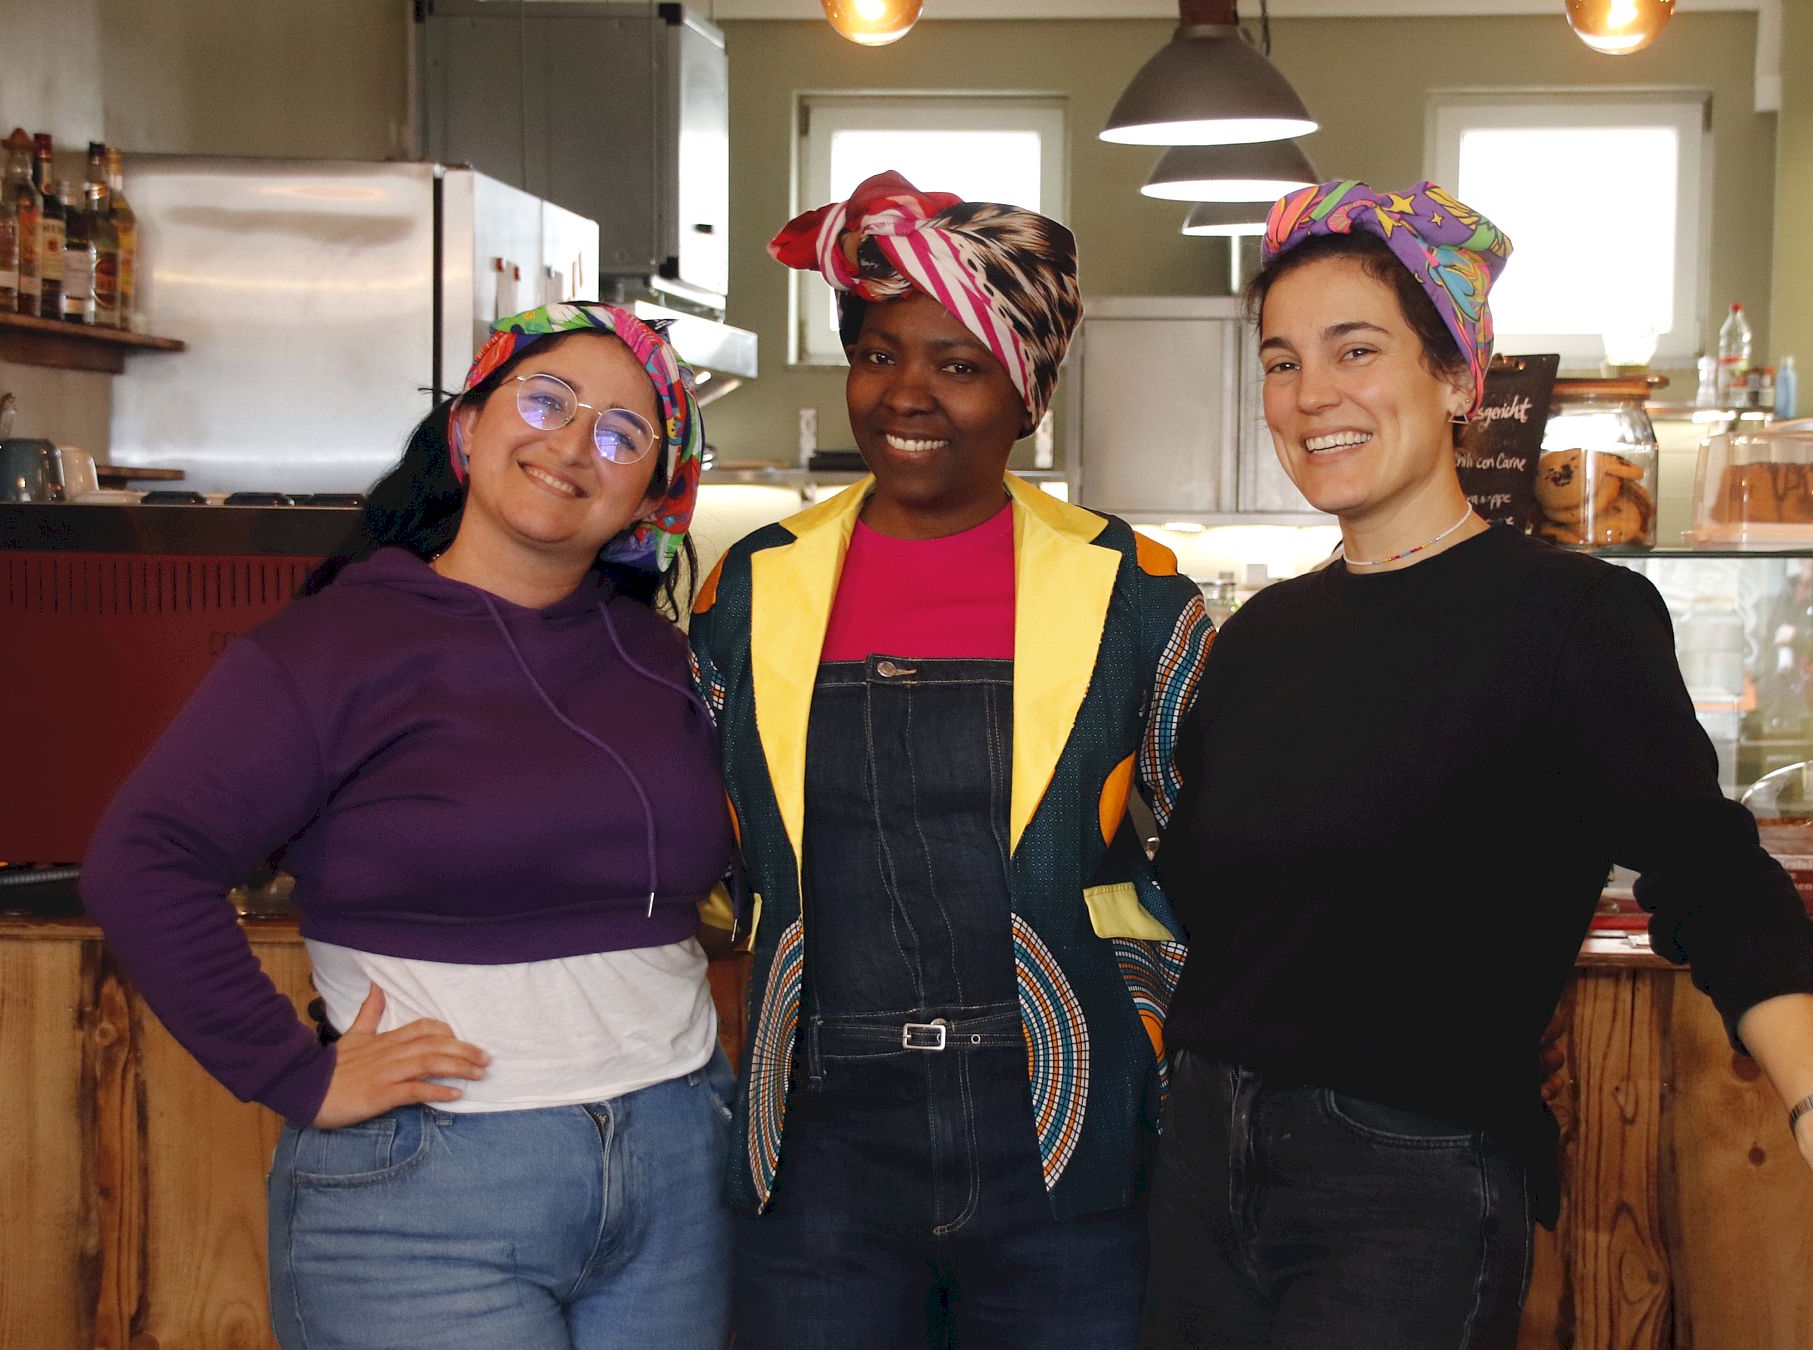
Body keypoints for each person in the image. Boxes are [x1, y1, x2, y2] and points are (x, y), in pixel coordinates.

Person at [1142, 181, 1813, 1348]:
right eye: (1281, 362)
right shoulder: (1262, 638)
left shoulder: (1572, 619)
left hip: (1404, 1184)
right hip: (1197, 1167)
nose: (1310, 394)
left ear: (1455, 377)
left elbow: (1713, 875)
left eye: (1356, 349)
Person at [82, 302, 737, 1350]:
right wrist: (292, 1072)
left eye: (623, 433)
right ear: (467, 428)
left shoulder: (663, 663)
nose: (574, 445)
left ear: (652, 497)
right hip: (428, 1194)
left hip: (679, 1168)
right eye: (547, 400)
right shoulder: (329, 649)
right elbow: (142, 860)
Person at [688, 171, 1212, 1349]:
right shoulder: (749, 589)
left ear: (1027, 393)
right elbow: (711, 853)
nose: (906, 394)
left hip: (1070, 1140)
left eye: (958, 364)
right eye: (878, 356)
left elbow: (1206, 861)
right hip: (817, 1144)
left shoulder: (1140, 598)